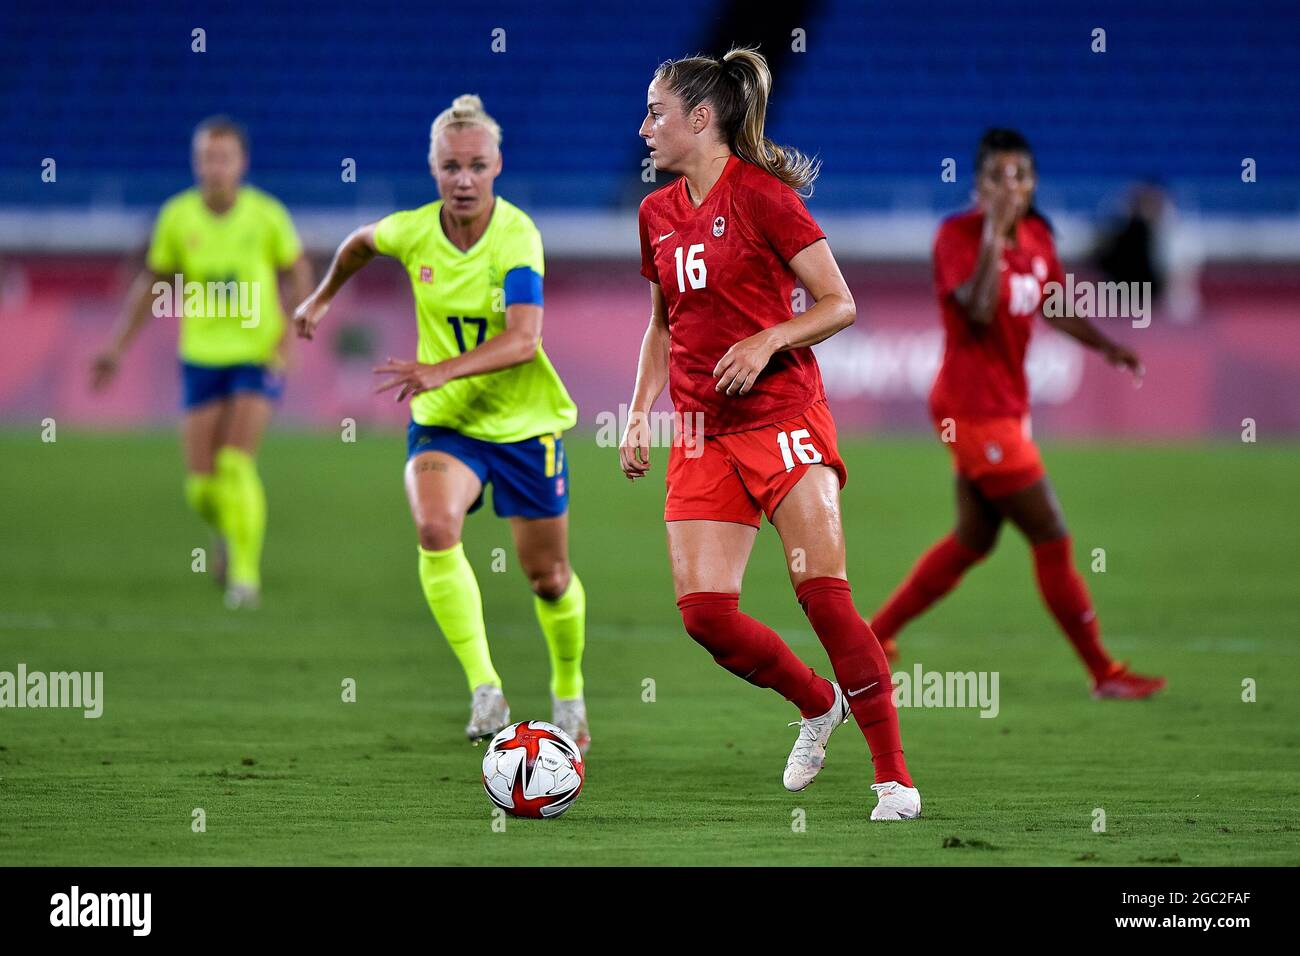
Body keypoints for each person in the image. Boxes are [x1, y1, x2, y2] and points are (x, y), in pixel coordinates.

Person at [621, 48, 919, 820]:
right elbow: (663, 327)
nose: (643, 126)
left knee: (823, 596)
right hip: (699, 428)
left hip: (783, 417)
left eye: (655, 112)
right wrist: (637, 410)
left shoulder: (763, 199)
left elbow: (838, 302)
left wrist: (767, 340)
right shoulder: (655, 214)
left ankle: (893, 778)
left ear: (700, 118)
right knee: (705, 618)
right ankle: (819, 704)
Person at [292, 95, 589, 751]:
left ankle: (568, 692)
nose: (463, 180)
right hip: (445, 425)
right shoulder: (413, 231)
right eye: (451, 166)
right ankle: (486, 691)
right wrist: (319, 298)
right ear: (433, 168)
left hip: (522, 426)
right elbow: (360, 244)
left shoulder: (517, 237)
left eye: (476, 166)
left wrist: (441, 369)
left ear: (497, 166)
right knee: (433, 526)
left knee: (549, 577)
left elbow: (523, 341)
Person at [869, 128, 1167, 700]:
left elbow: (1053, 303)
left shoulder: (1036, 236)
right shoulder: (956, 237)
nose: (1013, 187)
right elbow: (978, 312)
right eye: (999, 177)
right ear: (978, 185)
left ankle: (877, 633)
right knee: (1051, 535)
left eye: (1022, 176)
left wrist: (1106, 345)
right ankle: (1104, 672)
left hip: (1005, 407)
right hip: (971, 408)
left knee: (973, 540)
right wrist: (992, 239)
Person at [92, 116, 313, 609]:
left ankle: (245, 578)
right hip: (200, 358)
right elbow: (153, 284)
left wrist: (293, 331)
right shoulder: (177, 217)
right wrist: (116, 348)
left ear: (242, 164)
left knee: (235, 461)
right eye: (206, 159)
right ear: (196, 163)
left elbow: (297, 269)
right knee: (200, 488)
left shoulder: (266, 216)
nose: (214, 168)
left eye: (224, 159)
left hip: (257, 353)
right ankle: (226, 533)